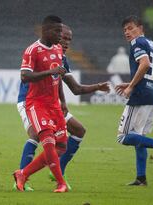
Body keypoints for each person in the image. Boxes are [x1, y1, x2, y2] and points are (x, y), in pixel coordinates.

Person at [15, 24, 110, 191]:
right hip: (30, 101)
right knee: (37, 135)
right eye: (63, 37)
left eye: (68, 39)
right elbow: (31, 75)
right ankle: (22, 180)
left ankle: (58, 170)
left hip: (51, 103)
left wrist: (63, 101)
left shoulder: (61, 57)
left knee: (78, 130)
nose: (65, 42)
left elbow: (74, 87)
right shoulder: (38, 50)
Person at [114, 15, 153, 186]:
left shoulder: (137, 43)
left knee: (123, 136)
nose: (127, 32)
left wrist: (131, 86)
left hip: (140, 97)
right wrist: (132, 81)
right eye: (125, 30)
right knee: (139, 138)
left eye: (131, 28)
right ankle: (141, 178)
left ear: (140, 28)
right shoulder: (151, 44)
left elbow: (145, 64)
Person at [13, 15, 68, 193]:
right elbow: (25, 76)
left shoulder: (59, 49)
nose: (60, 35)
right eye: (57, 31)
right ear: (45, 31)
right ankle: (61, 183)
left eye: (61, 31)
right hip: (37, 104)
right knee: (49, 143)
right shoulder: (32, 50)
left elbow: (57, 77)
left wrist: (63, 101)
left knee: (61, 146)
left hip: (54, 105)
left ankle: (23, 173)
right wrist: (51, 70)